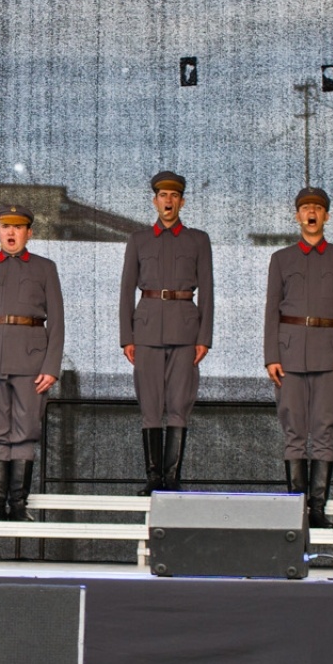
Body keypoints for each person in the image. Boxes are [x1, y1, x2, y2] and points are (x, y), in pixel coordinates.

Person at [0, 204, 64, 521]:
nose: (11, 232)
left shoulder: (45, 267)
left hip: (32, 360)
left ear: (29, 233)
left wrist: (51, 367)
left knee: (25, 431)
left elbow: (57, 321)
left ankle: (18, 504)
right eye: (5, 226)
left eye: (18, 227)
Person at [263, 186, 333, 528]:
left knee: (324, 430)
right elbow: (271, 310)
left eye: (317, 208)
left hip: (330, 355)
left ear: (326, 216)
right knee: (294, 431)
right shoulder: (282, 259)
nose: (311, 213)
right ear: (297, 215)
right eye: (305, 208)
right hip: (289, 355)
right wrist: (271, 356)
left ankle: (317, 509)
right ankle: (295, 511)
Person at [119, 170, 213, 493]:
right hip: (145, 331)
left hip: (186, 331)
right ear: (155, 201)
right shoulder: (139, 240)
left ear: (182, 201)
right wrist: (126, 337)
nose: (168, 201)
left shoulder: (198, 240)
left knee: (178, 404)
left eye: (174, 196)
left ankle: (171, 478)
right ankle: (152, 477)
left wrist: (205, 338)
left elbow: (209, 292)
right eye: (163, 195)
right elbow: (125, 290)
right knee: (150, 406)